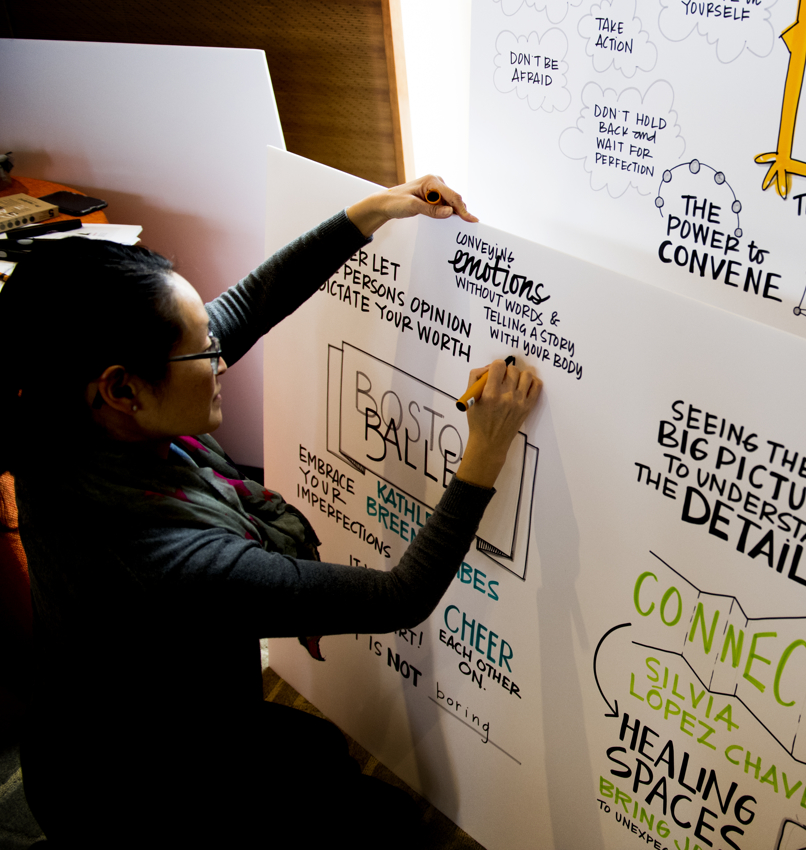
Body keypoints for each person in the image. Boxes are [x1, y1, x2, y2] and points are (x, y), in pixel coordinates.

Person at [0, 178, 540, 847]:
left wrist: (374, 209)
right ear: (121, 388)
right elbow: (401, 595)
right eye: (200, 351)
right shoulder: (168, 562)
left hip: (108, 729)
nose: (220, 356)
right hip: (135, 792)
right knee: (390, 827)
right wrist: (485, 449)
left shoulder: (54, 427)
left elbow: (245, 307)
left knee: (324, 764)